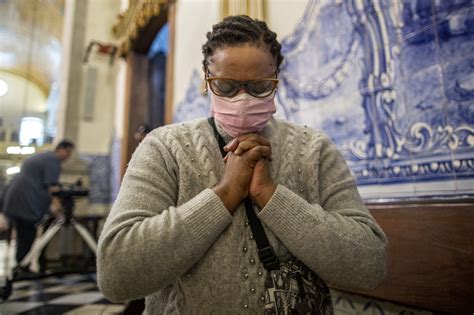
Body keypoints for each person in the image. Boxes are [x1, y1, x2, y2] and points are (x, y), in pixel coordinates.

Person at [97, 15, 387, 313]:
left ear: (277, 79)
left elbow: (370, 265)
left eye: (260, 86)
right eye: (225, 86)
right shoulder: (164, 148)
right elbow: (116, 275)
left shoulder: (314, 149)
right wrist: (224, 193)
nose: (243, 98)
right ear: (206, 80)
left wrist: (271, 196)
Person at [3, 140, 75, 267]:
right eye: (68, 153)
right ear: (61, 149)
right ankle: (22, 267)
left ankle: (22, 265)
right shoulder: (53, 160)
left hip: (15, 200)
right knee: (26, 237)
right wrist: (58, 207)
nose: (68, 157)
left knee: (23, 236)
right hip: (24, 203)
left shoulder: (43, 157)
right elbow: (52, 187)